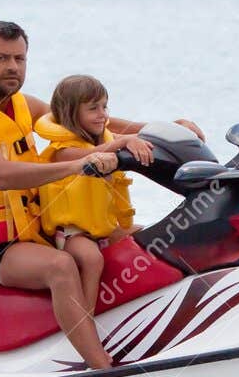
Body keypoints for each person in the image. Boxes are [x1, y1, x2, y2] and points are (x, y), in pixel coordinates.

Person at [0, 20, 203, 370]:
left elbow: (91, 119)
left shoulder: (24, 105)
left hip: (36, 235)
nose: (12, 67)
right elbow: (3, 175)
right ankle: (100, 366)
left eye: (20, 59)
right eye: (1, 58)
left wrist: (162, 131)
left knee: (145, 240)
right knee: (61, 267)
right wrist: (78, 165)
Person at [33, 74, 155, 317]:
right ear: (71, 113)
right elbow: (93, 154)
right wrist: (125, 142)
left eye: (104, 106)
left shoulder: (107, 140)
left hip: (104, 228)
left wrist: (172, 130)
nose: (103, 114)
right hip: (72, 234)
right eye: (93, 108)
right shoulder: (62, 152)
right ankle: (86, 318)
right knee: (91, 259)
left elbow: (125, 142)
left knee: (150, 238)